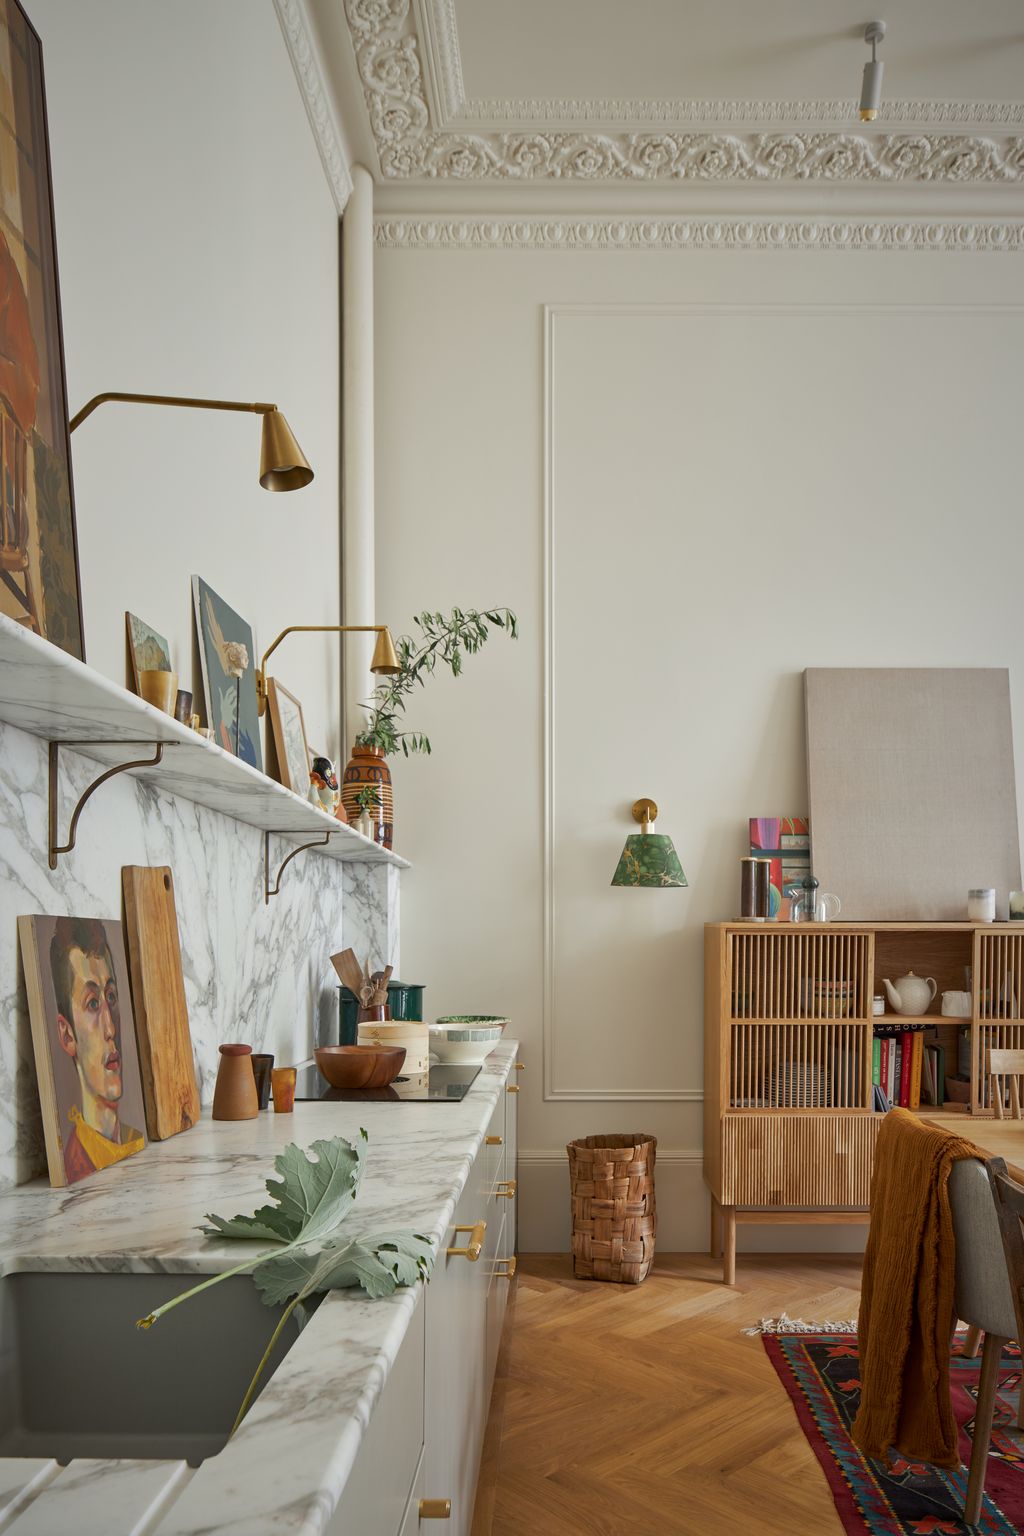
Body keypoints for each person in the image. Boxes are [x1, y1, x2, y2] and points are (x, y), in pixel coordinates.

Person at [50, 917, 144, 1183]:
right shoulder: (77, 1166)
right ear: (68, 1036)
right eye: (92, 1004)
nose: (110, 1028)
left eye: (111, 996)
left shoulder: (134, 1141)